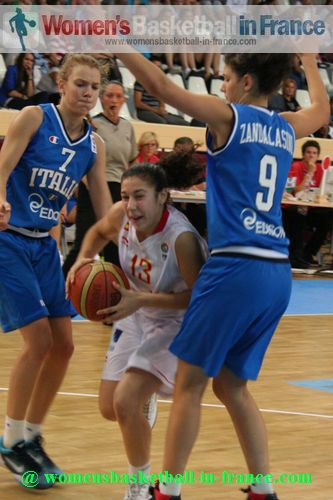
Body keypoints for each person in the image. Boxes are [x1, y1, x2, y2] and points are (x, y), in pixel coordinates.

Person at [116, 52, 329, 500]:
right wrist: (310, 60)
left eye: (227, 78)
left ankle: (167, 490)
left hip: (235, 266)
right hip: (277, 274)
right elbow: (324, 111)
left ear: (245, 81)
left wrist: (123, 50)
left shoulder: (229, 117)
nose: (223, 87)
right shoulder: (285, 126)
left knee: (190, 385)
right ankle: (263, 486)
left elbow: (164, 88)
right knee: (231, 384)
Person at [66, 154, 207, 500]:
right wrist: (85, 259)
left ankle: (140, 488)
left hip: (171, 322)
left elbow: (197, 299)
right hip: (134, 309)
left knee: (125, 401)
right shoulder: (121, 216)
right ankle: (146, 399)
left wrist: (142, 301)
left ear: (162, 197)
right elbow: (98, 232)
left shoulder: (181, 238)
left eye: (139, 196)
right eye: (126, 195)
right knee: (108, 407)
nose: (130, 204)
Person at [0, 54, 112, 488]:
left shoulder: (94, 144)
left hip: (46, 246)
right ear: (62, 83)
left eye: (93, 88)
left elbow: (101, 202)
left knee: (64, 345)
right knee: (40, 341)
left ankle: (31, 435)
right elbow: (4, 162)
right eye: (80, 84)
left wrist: (121, 242)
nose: (87, 93)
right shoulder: (33, 116)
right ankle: (10, 440)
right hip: (9, 238)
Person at [62, 80, 137, 276]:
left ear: (123, 100)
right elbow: (82, 159)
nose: (114, 100)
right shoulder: (92, 125)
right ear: (102, 99)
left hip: (121, 190)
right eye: (110, 95)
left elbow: (130, 161)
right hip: (94, 187)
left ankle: (116, 292)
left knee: (117, 244)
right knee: (85, 242)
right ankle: (61, 286)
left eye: (118, 96)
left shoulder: (128, 127)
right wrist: (88, 187)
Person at [283, 140, 332, 268]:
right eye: (308, 152)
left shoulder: (323, 170)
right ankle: (296, 255)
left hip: (313, 207)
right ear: (303, 154)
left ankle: (308, 253)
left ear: (318, 156)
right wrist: (310, 173)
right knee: (299, 216)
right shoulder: (296, 167)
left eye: (315, 153)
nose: (311, 155)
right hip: (293, 207)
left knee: (326, 222)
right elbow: (294, 190)